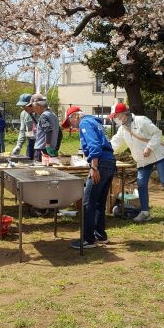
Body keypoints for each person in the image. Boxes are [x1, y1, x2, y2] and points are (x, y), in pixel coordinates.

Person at [109, 103, 164, 222]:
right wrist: (104, 150)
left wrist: (149, 147)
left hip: (157, 154)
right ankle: (145, 212)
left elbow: (157, 133)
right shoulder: (122, 129)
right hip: (142, 159)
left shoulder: (141, 120)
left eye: (116, 115)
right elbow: (115, 142)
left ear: (124, 114)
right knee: (141, 184)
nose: (115, 118)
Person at [62, 106, 116, 249]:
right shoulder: (95, 122)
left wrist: (94, 167)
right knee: (99, 202)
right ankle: (100, 236)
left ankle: (88, 239)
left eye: (70, 121)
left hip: (101, 164)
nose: (72, 126)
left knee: (88, 202)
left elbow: (94, 145)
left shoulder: (85, 123)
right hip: (110, 162)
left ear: (75, 116)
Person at [27, 94, 59, 162]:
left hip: (42, 149)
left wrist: (47, 145)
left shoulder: (43, 116)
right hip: (51, 149)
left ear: (38, 105)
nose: (33, 109)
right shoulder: (53, 115)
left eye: (33, 106)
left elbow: (48, 130)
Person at [11, 93, 37, 159]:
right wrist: (19, 145)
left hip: (41, 142)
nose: (23, 108)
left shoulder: (40, 112)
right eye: (22, 106)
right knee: (29, 160)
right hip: (30, 141)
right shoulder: (23, 114)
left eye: (25, 106)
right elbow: (22, 130)